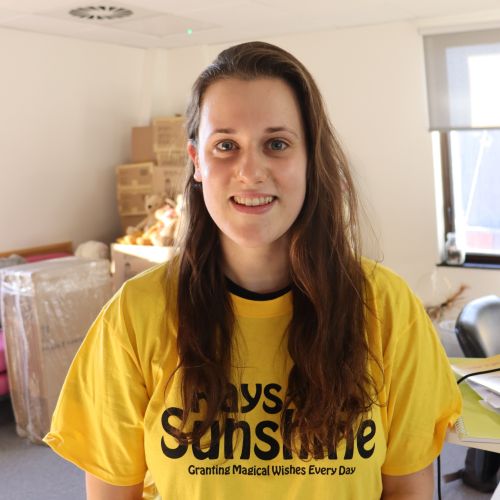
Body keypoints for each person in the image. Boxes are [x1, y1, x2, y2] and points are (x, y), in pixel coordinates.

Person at [44, 41, 462, 499]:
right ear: (197, 162)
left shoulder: (385, 307)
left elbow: (406, 488)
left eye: (276, 144)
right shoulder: (135, 314)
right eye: (226, 145)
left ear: (310, 159)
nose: (250, 171)